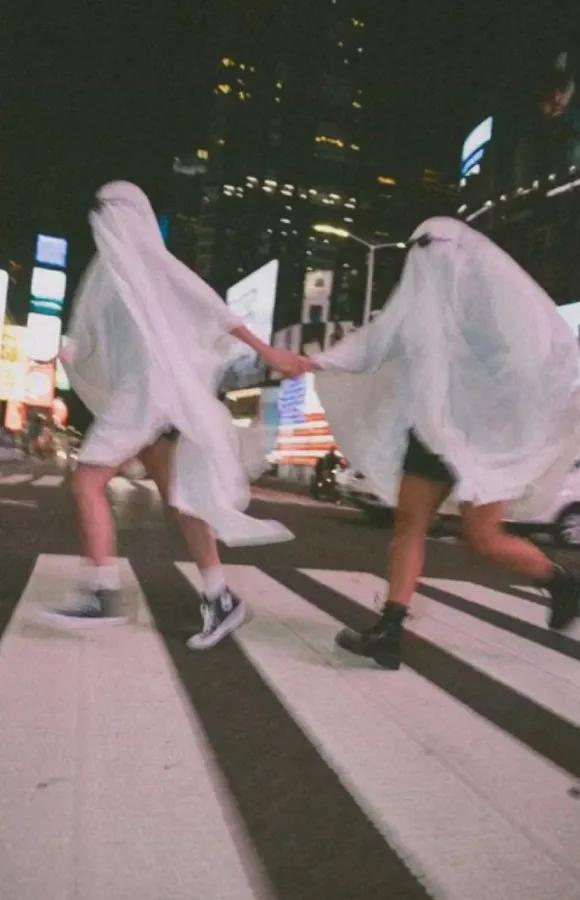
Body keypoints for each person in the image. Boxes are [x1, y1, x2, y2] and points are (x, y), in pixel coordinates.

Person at [309, 216, 580, 670]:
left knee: (483, 540)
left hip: (487, 437)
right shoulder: (421, 305)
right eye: (418, 249)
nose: (425, 259)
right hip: (432, 429)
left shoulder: (497, 303)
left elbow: (529, 364)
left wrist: (498, 423)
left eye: (433, 248)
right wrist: (312, 361)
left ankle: (560, 582)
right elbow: (377, 342)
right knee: (408, 525)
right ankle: (389, 632)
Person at [45, 181, 309, 647]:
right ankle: (220, 596)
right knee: (180, 500)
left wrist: (269, 352)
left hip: (150, 393)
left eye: (110, 211)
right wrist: (65, 353)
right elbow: (85, 332)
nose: (103, 221)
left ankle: (101, 592)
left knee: (87, 482)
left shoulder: (152, 262)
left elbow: (214, 309)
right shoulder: (104, 271)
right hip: (145, 397)